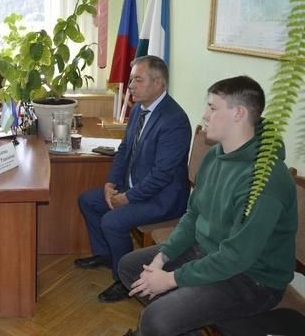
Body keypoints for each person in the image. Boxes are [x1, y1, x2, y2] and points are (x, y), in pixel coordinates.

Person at [118, 76, 297, 336]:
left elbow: (236, 257)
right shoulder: (215, 154)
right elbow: (193, 215)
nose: (204, 115)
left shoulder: (265, 180)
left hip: (252, 278)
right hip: (206, 252)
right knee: (130, 267)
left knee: (155, 320)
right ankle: (182, 324)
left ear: (238, 113)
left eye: (212, 107)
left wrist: (170, 279)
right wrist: (162, 258)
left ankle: (172, 319)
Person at [75, 55, 191, 303]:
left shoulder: (175, 121)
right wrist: (110, 183)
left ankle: (125, 278)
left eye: (138, 80)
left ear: (158, 83)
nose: (130, 86)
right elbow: (125, 149)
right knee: (88, 201)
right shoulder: (139, 108)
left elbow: (161, 176)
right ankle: (107, 254)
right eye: (131, 80)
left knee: (112, 221)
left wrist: (126, 198)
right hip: (134, 187)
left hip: (163, 199)